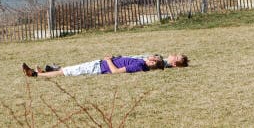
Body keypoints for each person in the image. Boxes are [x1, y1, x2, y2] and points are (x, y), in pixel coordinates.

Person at [22, 55, 164, 78]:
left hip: (99, 67)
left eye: (153, 59)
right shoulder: (142, 63)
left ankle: (35, 74)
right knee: (69, 69)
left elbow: (115, 72)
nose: (150, 57)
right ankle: (42, 71)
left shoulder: (139, 65)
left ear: (152, 63)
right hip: (98, 65)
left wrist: (108, 60)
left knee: (66, 72)